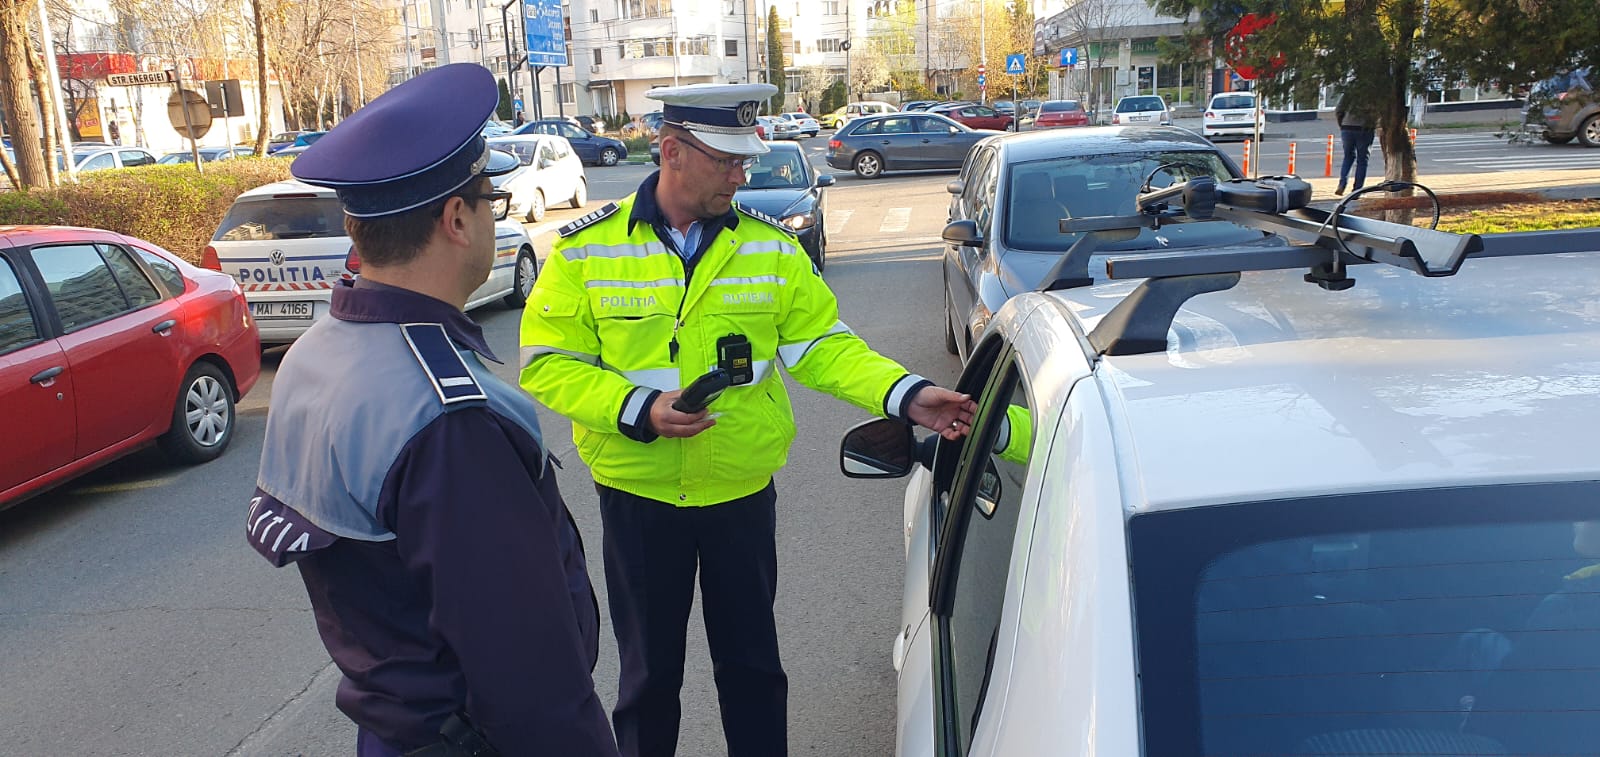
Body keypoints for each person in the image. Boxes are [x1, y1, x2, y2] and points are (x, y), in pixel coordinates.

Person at [518, 82, 977, 757]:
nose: (743, 173)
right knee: (648, 679)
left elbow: (823, 348)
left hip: (739, 495)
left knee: (754, 671)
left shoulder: (770, 249)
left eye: (745, 159)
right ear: (671, 151)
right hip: (639, 499)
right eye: (727, 160)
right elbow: (548, 363)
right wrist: (638, 407)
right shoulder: (587, 250)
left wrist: (906, 393)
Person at [245, 62, 619, 757]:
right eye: (490, 199)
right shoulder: (449, 418)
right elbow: (530, 681)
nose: (492, 215)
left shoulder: (313, 356)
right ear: (456, 218)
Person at [1334, 92, 1378, 196]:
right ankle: (1357, 190)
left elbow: (1338, 110)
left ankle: (1342, 184)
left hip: (1347, 127)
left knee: (1348, 157)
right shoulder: (1373, 92)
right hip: (1364, 128)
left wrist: (1342, 124)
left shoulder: (1348, 92)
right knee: (1362, 160)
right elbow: (1377, 112)